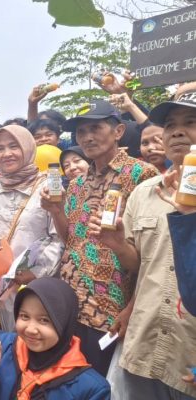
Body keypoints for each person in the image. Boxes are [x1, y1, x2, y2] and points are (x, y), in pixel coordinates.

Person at [88, 90, 196, 399]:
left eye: (190, 122)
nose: (177, 131)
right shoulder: (145, 192)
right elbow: (140, 264)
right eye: (170, 125)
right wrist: (118, 244)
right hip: (143, 345)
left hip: (188, 356)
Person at [40, 99, 159, 376]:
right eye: (81, 132)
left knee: (102, 383)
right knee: (68, 380)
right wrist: (56, 210)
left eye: (95, 128)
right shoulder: (77, 183)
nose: (87, 137)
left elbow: (154, 254)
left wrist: (132, 308)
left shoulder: (142, 174)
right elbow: (70, 239)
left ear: (118, 131)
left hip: (111, 309)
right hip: (70, 302)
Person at [0, 125, 63, 329]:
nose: (6, 154)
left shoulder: (48, 187)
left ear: (28, 148)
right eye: (0, 148)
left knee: (31, 338)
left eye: (14, 146)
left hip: (33, 286)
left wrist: (35, 273)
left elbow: (59, 238)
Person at [0, 277, 110, 400]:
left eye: (44, 320)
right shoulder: (2, 348)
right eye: (24, 316)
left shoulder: (90, 389)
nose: (30, 329)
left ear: (65, 323)